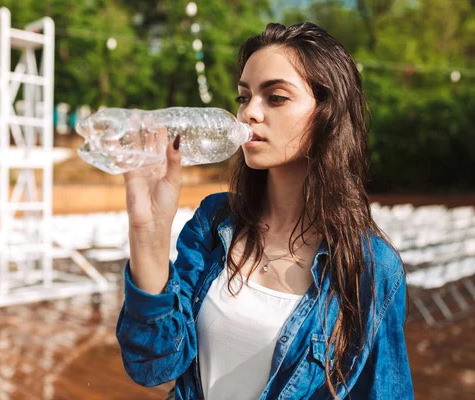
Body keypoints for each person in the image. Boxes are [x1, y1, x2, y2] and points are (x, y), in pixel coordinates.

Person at [116, 22, 413, 399]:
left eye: (275, 97)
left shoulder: (370, 266)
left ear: (328, 114)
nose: (248, 114)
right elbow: (154, 366)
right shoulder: (216, 221)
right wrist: (148, 233)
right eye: (244, 97)